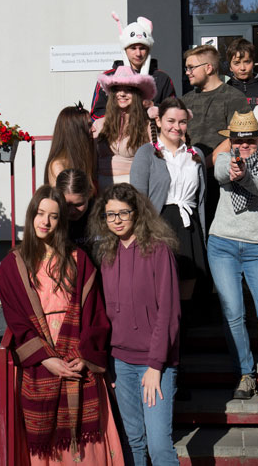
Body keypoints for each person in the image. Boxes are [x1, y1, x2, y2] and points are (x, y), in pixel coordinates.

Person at [0, 185, 123, 465]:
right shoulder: (13, 265)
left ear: (61, 221)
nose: (45, 221)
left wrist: (84, 355)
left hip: (78, 356)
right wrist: (46, 359)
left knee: (85, 448)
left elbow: (95, 314)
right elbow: (17, 320)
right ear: (31, 216)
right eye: (40, 213)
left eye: (53, 216)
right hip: (39, 362)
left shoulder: (79, 259)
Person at [89, 183, 181, 466]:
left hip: (155, 364)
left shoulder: (158, 250)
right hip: (120, 364)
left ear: (137, 213)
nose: (116, 220)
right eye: (110, 215)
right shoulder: (105, 253)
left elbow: (169, 312)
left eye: (123, 213)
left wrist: (155, 365)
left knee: (159, 446)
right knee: (132, 443)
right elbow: (103, 314)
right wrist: (106, 363)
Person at [207, 110, 258, 404]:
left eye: (250, 140)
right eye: (238, 140)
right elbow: (219, 173)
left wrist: (246, 176)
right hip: (223, 244)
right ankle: (245, 373)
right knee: (233, 312)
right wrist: (234, 170)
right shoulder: (225, 158)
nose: (244, 145)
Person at [130, 96, 208, 300]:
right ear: (158, 121)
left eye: (182, 122)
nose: (177, 127)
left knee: (188, 291)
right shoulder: (146, 153)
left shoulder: (195, 154)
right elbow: (138, 199)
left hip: (189, 227)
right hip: (160, 225)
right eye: (171, 121)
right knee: (161, 291)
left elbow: (201, 199)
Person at [183, 44, 250, 231]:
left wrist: (203, 163)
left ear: (208, 68)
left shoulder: (233, 97)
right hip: (190, 180)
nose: (187, 72)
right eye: (186, 68)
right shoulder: (185, 100)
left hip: (222, 182)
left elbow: (236, 139)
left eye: (191, 67)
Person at [90, 12, 176, 120]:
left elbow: (175, 111)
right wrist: (120, 116)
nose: (138, 53)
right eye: (133, 48)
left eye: (142, 48)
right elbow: (96, 114)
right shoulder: (108, 78)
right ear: (125, 49)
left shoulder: (162, 79)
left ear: (148, 50)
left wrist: (153, 106)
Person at [94, 66, 156, 189]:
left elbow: (155, 162)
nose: (122, 94)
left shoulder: (147, 126)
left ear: (136, 94)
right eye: (117, 89)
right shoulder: (98, 124)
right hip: (102, 190)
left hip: (134, 188)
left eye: (128, 89)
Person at [44, 104, 96, 187]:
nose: (94, 129)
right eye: (89, 125)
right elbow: (67, 194)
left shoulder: (84, 158)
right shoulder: (58, 166)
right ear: (75, 131)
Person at [225, 37, 258, 109]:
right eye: (237, 63)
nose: (242, 68)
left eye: (247, 62)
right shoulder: (225, 90)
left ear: (253, 63)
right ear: (230, 67)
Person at [54, 168, 95, 254]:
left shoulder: (102, 214)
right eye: (66, 205)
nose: (72, 211)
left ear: (89, 194)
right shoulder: (50, 218)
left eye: (78, 204)